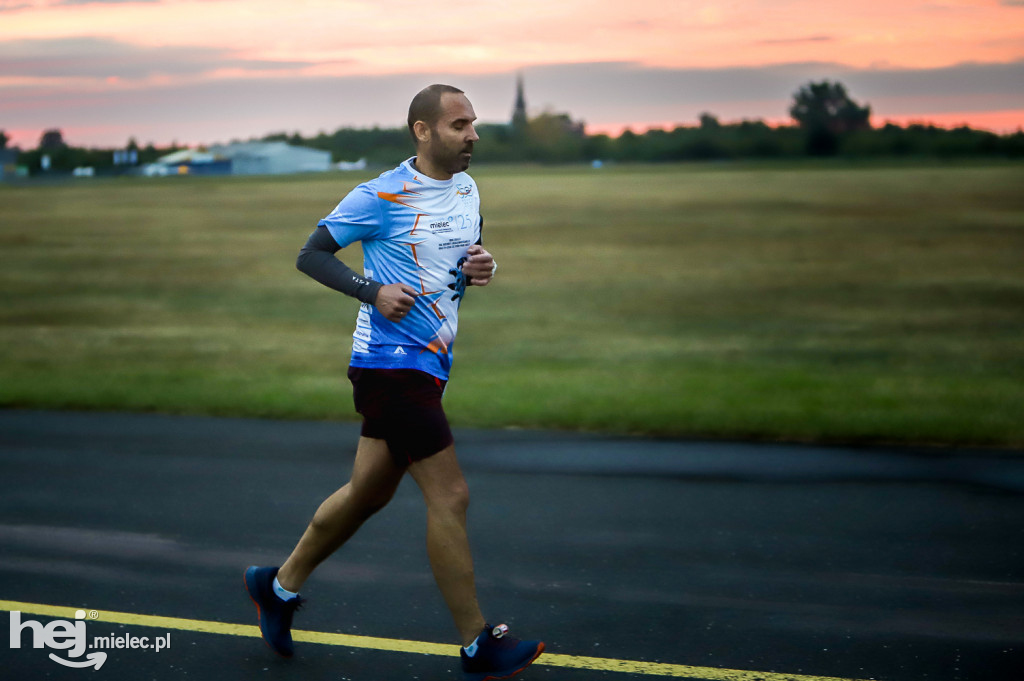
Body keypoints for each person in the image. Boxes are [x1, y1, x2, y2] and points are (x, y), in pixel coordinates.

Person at [244, 84, 544, 681]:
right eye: (460, 125)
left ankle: (275, 589)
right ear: (423, 130)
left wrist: (481, 264)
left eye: (474, 123)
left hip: (429, 362)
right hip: (388, 364)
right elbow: (311, 254)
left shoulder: (467, 188)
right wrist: (371, 290)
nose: (473, 135)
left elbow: (462, 256)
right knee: (450, 495)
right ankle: (476, 645)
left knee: (369, 493)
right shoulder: (380, 193)